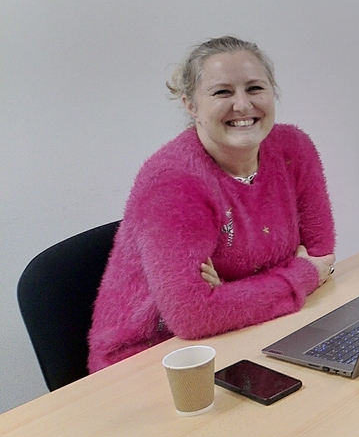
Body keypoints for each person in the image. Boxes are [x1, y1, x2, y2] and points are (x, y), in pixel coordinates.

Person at [88, 37, 336, 372]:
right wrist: (300, 275)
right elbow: (193, 317)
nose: (243, 106)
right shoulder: (172, 182)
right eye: (222, 92)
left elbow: (322, 254)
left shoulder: (294, 149)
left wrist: (230, 295)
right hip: (154, 359)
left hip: (248, 335)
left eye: (254, 88)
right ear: (190, 104)